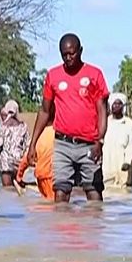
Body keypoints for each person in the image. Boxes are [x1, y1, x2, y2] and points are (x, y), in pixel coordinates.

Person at [27, 33, 108, 203]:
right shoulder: (53, 75)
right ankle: (62, 227)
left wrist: (99, 141)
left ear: (80, 51)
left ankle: (96, 228)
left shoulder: (95, 75)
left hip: (89, 144)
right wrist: (32, 144)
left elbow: (102, 110)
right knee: (60, 192)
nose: (69, 57)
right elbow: (44, 111)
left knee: (93, 192)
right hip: (63, 144)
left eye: (72, 53)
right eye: (64, 54)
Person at [16, 112, 56, 201]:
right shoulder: (58, 134)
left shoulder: (37, 137)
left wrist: (19, 176)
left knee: (46, 201)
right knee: (53, 203)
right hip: (52, 175)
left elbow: (26, 159)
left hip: (40, 176)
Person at [0, 100, 30, 188]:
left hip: (6, 164)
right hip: (18, 163)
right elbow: (27, 146)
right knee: (18, 192)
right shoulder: (23, 126)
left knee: (7, 191)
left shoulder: (2, 127)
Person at [102, 93, 132, 190]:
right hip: (107, 164)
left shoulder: (128, 123)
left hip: (122, 165)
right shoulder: (106, 121)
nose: (116, 106)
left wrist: (127, 161)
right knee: (106, 192)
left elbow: (131, 144)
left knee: (124, 193)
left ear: (123, 106)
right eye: (114, 104)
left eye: (119, 104)